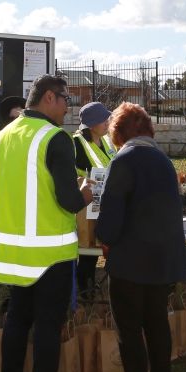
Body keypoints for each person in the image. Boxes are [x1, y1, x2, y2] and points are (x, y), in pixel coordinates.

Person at [0, 74, 93, 372]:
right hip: (50, 253)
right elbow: (68, 201)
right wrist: (85, 195)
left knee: (18, 320)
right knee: (48, 325)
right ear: (49, 98)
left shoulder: (3, 136)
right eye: (67, 99)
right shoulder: (55, 138)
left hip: (13, 252)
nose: (69, 108)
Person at [95, 103, 186, 372]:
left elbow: (110, 217)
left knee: (131, 332)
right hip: (162, 261)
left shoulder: (123, 161)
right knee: (157, 325)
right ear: (147, 128)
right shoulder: (164, 161)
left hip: (131, 263)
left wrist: (105, 239)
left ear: (117, 133)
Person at [74, 101, 117, 294]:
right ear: (91, 124)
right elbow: (77, 174)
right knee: (88, 249)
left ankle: (89, 286)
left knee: (101, 245)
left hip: (105, 200)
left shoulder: (107, 140)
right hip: (88, 203)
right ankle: (85, 288)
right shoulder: (76, 142)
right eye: (103, 120)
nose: (107, 123)